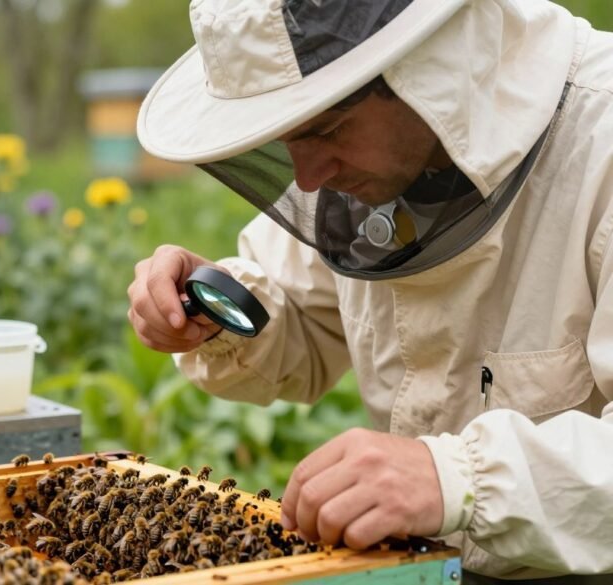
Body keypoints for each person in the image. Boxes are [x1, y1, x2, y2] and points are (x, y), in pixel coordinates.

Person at [128, 0, 613, 581]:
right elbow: (299, 318)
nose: (307, 176)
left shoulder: (600, 141)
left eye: (327, 130)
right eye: (285, 141)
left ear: (427, 69)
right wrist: (213, 307)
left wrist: (458, 478)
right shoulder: (372, 163)